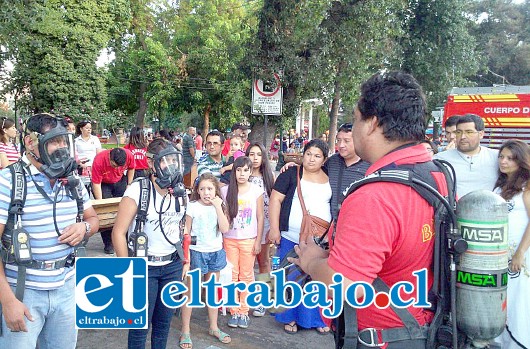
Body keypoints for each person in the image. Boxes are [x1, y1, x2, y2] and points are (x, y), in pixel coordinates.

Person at [290, 71, 447, 348]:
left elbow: (345, 285)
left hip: (382, 337)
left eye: (356, 118)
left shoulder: (375, 196)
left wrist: (312, 261)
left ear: (372, 123)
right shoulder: (435, 173)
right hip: (422, 328)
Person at [0, 113, 99, 349]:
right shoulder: (8, 182)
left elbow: (93, 219)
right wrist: (7, 300)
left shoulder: (71, 181)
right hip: (23, 292)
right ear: (30, 142)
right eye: (54, 142)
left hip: (66, 287)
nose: (61, 148)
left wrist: (84, 227)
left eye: (65, 141)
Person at [112, 139, 185, 349]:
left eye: (174, 160)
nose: (171, 165)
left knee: (164, 324)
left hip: (172, 264)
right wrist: (126, 271)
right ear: (152, 163)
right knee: (139, 327)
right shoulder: (138, 190)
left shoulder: (180, 192)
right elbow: (118, 232)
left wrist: (184, 261)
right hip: (143, 267)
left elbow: (182, 227)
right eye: (165, 161)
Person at [269, 138, 332, 335]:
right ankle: (290, 318)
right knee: (292, 278)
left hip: (320, 241)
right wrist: (274, 229)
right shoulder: (291, 173)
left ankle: (315, 319)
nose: (311, 159)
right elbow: (275, 200)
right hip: (291, 235)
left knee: (316, 278)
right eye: (308, 154)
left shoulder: (330, 175)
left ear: (324, 159)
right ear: (302, 155)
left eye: (317, 156)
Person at [179, 173, 231, 349]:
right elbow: (186, 230)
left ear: (216, 190)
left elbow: (224, 228)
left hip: (215, 252)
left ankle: (214, 327)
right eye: (202, 189)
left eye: (210, 189)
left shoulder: (220, 205)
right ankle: (185, 330)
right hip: (196, 253)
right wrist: (186, 258)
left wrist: (218, 207)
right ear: (197, 191)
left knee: (212, 291)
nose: (206, 193)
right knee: (191, 293)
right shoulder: (193, 206)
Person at [281, 123, 369, 221]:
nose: (341, 145)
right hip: (330, 226)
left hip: (356, 223)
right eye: (338, 140)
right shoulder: (332, 162)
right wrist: (296, 167)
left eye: (346, 141)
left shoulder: (369, 166)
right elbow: (314, 169)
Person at [493, 140, 530, 349]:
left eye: (510, 158)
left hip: (519, 252)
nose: (503, 161)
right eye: (501, 156)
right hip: (500, 253)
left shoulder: (527, 185)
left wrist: (520, 252)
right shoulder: (500, 184)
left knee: (519, 299)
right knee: (503, 298)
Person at [220, 156, 264, 330]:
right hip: (229, 239)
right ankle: (234, 309)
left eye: (245, 170)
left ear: (250, 171)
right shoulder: (225, 191)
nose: (242, 174)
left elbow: (260, 217)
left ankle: (244, 311)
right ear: (234, 171)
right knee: (232, 274)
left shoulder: (256, 191)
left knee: (246, 275)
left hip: (248, 239)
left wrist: (258, 240)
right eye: (238, 170)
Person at [434, 114, 498, 197]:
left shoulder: (496, 158)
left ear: (481, 134)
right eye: (459, 132)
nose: (462, 137)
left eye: (469, 132)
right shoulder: (440, 160)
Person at [246, 142, 276, 317]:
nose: (255, 158)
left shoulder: (268, 177)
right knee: (246, 265)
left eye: (258, 154)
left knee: (264, 263)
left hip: (263, 226)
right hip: (245, 227)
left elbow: (274, 203)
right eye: (251, 154)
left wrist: (272, 227)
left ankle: (266, 299)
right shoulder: (242, 174)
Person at [91, 147, 135, 254]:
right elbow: (96, 184)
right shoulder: (99, 160)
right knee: (105, 213)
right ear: (110, 158)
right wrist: (101, 203)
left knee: (124, 210)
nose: (116, 168)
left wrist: (129, 184)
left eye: (119, 166)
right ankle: (108, 243)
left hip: (120, 180)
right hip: (104, 183)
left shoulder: (129, 155)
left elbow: (131, 168)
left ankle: (124, 239)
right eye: (114, 165)